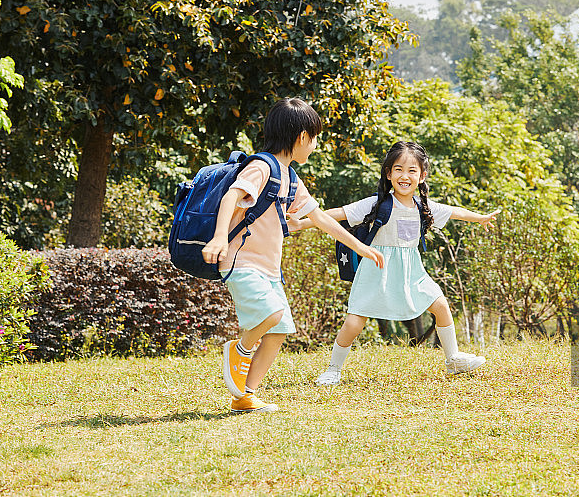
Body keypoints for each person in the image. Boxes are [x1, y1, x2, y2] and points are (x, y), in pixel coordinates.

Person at [201, 98, 384, 413]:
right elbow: (232, 196)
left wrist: (359, 246)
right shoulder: (262, 167)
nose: (315, 145)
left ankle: (245, 395)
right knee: (270, 314)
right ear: (302, 137)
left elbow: (320, 217)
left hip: (269, 268)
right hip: (242, 262)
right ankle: (239, 350)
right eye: (314, 138)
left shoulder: (290, 177)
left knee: (280, 328)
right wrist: (219, 237)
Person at [289, 141, 499, 385]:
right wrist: (303, 223)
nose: (405, 176)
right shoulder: (377, 203)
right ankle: (333, 369)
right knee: (354, 322)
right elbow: (338, 213)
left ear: (422, 176)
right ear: (388, 174)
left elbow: (455, 212)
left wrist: (480, 218)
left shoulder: (423, 206)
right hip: (376, 269)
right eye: (398, 169)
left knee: (441, 305)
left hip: (411, 271)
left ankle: (452, 359)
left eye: (412, 170)